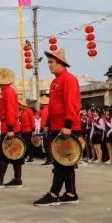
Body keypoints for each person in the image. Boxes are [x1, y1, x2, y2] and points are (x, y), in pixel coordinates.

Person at [34, 48, 82, 207]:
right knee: (64, 162)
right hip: (56, 126)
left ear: (60, 63)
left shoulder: (69, 79)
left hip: (66, 127)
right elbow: (54, 107)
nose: (49, 65)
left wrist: (68, 125)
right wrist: (47, 124)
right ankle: (71, 193)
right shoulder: (55, 82)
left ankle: (54, 194)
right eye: (48, 62)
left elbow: (72, 104)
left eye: (51, 62)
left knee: (62, 162)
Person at [0, 68, 23, 189]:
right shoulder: (7, 91)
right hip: (10, 127)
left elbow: (11, 111)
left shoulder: (8, 92)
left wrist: (10, 129)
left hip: (10, 128)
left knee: (3, 154)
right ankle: (17, 179)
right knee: (14, 154)